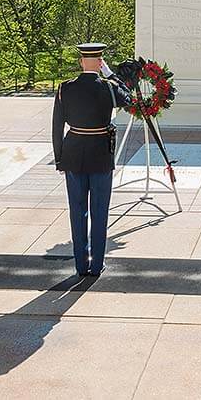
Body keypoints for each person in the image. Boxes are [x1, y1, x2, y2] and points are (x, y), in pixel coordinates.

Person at [52, 43, 132, 277]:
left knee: (77, 211)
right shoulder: (108, 88)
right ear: (100, 62)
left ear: (80, 62)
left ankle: (80, 265)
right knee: (100, 210)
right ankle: (96, 265)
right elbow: (128, 98)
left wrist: (59, 159)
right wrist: (110, 74)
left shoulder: (65, 88)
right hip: (100, 155)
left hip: (73, 154)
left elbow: (57, 126)